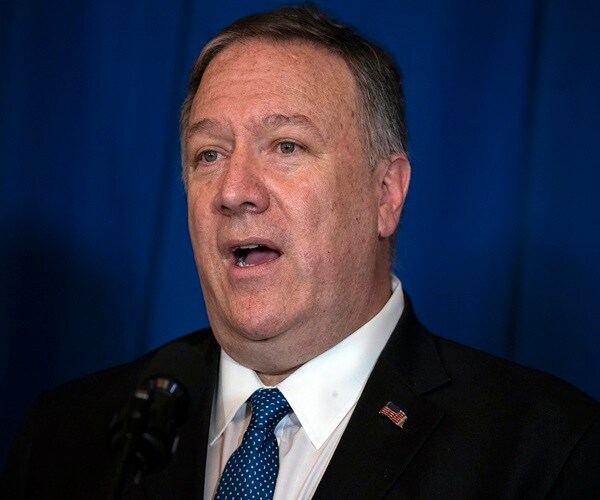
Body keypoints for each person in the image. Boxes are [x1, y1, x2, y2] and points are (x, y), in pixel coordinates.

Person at [3, 4, 599, 499]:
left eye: (286, 146)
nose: (234, 190)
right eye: (209, 154)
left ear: (385, 193)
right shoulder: (68, 438)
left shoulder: (546, 453)